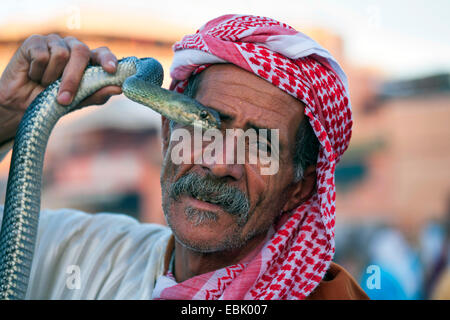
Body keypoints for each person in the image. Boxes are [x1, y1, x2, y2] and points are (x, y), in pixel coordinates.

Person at [0, 14, 368, 300]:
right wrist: (4, 118)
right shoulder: (76, 251)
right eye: (206, 127)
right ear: (167, 132)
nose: (220, 163)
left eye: (259, 145)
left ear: (299, 188)